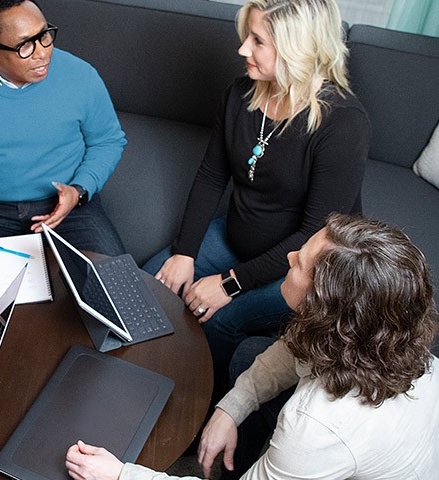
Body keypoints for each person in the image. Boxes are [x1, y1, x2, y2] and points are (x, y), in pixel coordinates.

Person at [65, 213, 439, 479]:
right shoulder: (372, 334)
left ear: (323, 308)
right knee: (249, 356)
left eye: (300, 265)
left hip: (331, 450)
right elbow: (291, 350)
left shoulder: (316, 427)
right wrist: (232, 406)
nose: (290, 256)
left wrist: (119, 475)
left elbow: (313, 421)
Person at [142, 0, 371, 403]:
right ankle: (133, 375)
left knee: (218, 321)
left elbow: (311, 235)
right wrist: (184, 252)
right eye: (247, 36)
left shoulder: (343, 123)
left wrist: (229, 285)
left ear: (298, 47)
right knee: (149, 280)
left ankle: (196, 411)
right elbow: (212, 175)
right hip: (234, 236)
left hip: (302, 268)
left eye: (258, 40)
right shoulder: (241, 93)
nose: (242, 49)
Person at [0, 0, 127, 279]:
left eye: (44, 36)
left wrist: (79, 190)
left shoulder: (82, 75)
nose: (42, 53)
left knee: (117, 288)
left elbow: (108, 141)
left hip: (67, 203)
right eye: (25, 46)